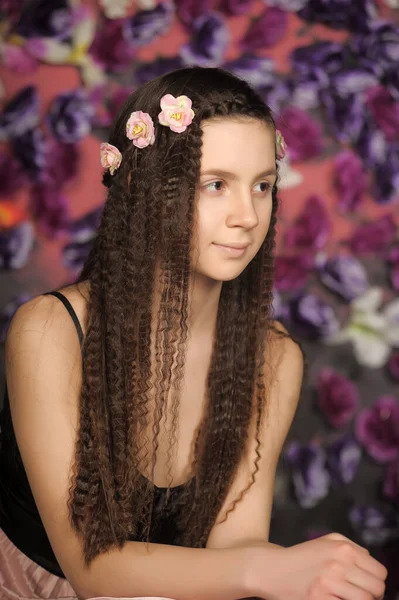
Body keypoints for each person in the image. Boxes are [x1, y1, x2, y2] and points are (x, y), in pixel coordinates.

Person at [0, 66, 387, 600]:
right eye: (215, 185)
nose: (247, 215)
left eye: (262, 186)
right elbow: (92, 568)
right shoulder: (50, 331)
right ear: (141, 190)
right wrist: (273, 569)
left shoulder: (273, 358)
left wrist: (304, 574)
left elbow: (234, 552)